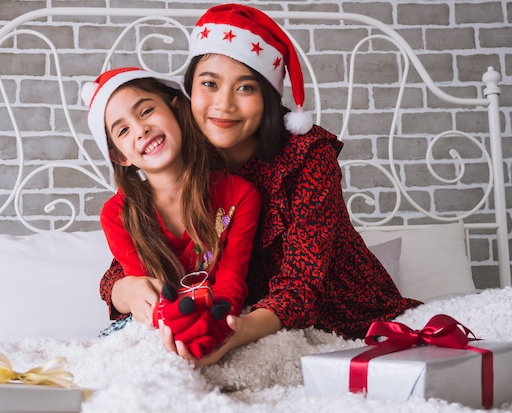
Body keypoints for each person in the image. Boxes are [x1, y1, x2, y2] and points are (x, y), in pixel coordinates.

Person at [99, 5, 422, 365]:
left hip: (342, 318)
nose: (223, 104)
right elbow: (137, 247)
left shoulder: (305, 155)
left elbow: (303, 283)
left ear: (267, 96)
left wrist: (234, 332)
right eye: (209, 83)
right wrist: (122, 291)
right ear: (187, 91)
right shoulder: (177, 152)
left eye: (246, 87)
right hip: (238, 315)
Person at [83, 67, 261, 358]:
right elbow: (146, 293)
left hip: (220, 315)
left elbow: (231, 279)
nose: (141, 129)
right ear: (120, 156)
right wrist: (178, 330)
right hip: (156, 326)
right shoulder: (117, 214)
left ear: (177, 110)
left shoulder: (239, 195)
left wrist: (215, 325)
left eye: (146, 111)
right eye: (124, 130)